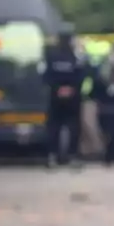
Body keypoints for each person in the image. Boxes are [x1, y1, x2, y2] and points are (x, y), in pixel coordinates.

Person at [40, 24, 88, 167]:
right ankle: (70, 156)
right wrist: (71, 89)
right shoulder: (77, 55)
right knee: (71, 126)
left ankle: (53, 156)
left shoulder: (50, 55)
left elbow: (45, 75)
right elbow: (83, 75)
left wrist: (57, 89)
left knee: (55, 126)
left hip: (56, 96)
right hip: (71, 97)